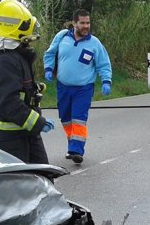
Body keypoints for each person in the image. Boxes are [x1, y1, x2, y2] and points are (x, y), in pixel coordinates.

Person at [0, 0, 54, 163]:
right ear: (15, 27)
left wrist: (31, 89)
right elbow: (7, 102)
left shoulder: (14, 55)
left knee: (42, 178)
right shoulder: (7, 60)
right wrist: (37, 122)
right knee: (23, 184)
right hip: (8, 136)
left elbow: (10, 89)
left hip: (22, 130)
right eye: (27, 25)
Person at [43, 9, 112, 165]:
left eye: (88, 22)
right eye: (82, 23)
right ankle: (72, 143)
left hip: (84, 88)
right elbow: (49, 53)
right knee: (66, 118)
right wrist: (48, 68)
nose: (86, 26)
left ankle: (77, 150)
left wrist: (106, 81)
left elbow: (103, 64)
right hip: (63, 87)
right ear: (74, 23)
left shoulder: (95, 43)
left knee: (79, 118)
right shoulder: (61, 37)